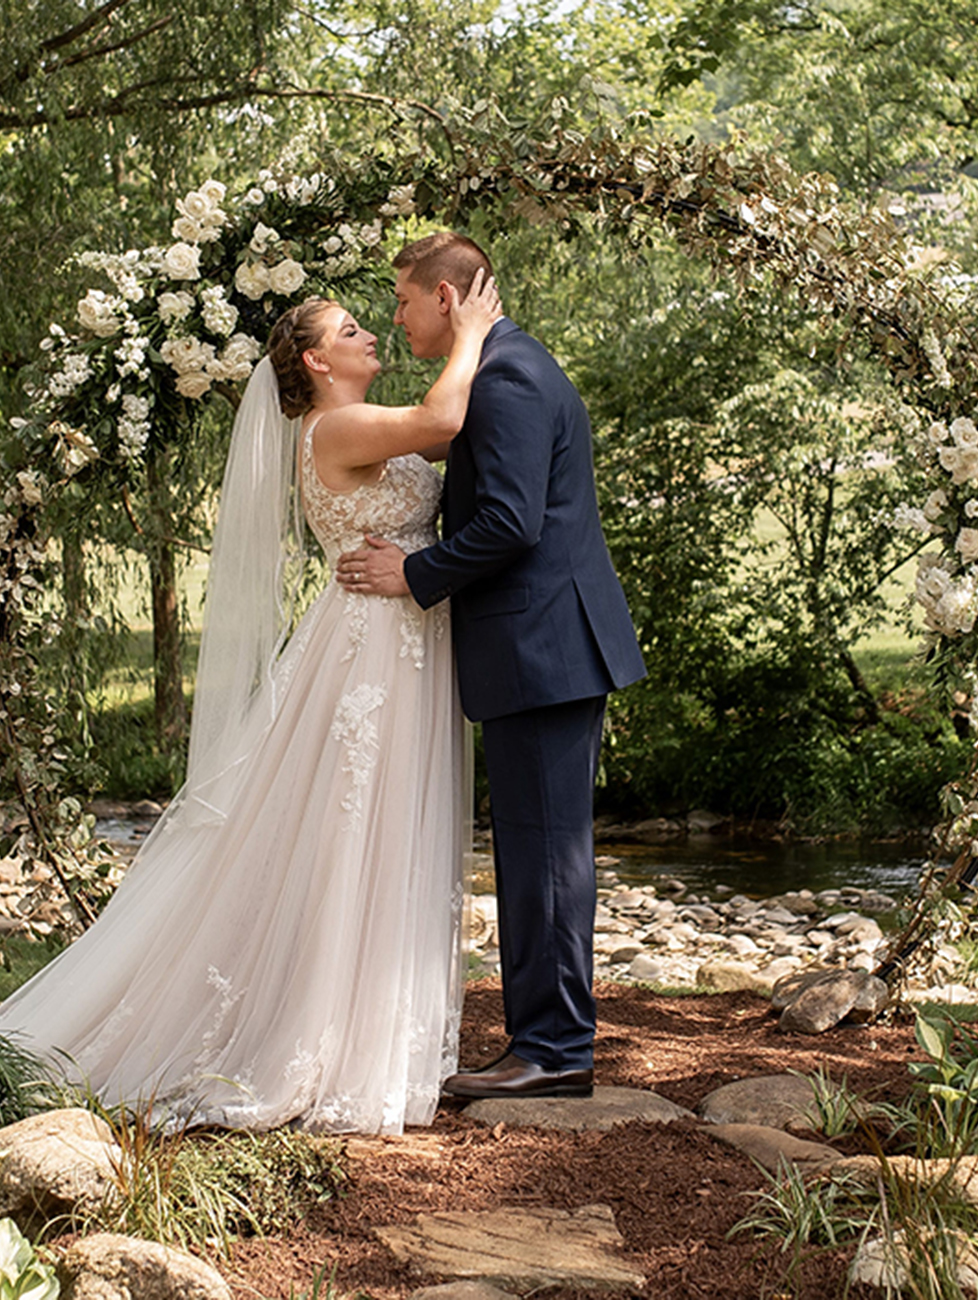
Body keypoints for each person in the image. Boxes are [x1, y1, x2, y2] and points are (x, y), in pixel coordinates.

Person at [0, 274, 502, 1134]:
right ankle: (325, 1036)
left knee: (377, 826)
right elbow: (444, 422)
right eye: (351, 329)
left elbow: (446, 433)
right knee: (354, 828)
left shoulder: (357, 424)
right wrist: (474, 329)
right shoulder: (333, 427)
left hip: (397, 637)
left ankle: (374, 1028)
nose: (371, 334)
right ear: (315, 360)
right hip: (371, 650)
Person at [337, 232, 646, 1100]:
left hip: (543, 648)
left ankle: (553, 1051)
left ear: (444, 297)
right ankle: (546, 1040)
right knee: (536, 850)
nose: (394, 318)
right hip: (543, 647)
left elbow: (510, 522)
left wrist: (413, 572)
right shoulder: (504, 364)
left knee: (546, 856)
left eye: (400, 300)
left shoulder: (507, 377)